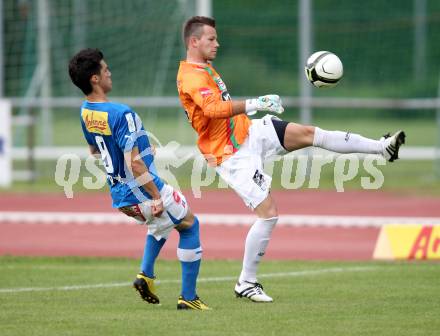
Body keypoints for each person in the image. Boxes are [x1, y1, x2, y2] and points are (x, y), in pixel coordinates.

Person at [177, 16, 405, 303]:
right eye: (211, 39)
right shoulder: (191, 76)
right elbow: (211, 109)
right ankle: (246, 282)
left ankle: (382, 148)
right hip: (230, 154)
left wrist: (253, 111)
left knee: (310, 133)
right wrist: (256, 103)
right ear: (193, 41)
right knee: (269, 214)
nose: (217, 43)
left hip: (249, 131)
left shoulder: (203, 67)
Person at [68, 48, 210, 310]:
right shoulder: (123, 113)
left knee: (162, 224)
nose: (110, 72)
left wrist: (142, 149)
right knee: (190, 224)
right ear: (94, 79)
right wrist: (156, 196)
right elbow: (134, 163)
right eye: (105, 68)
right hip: (143, 191)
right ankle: (188, 298)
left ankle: (145, 275)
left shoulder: (85, 111)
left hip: (120, 197)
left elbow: (95, 150)